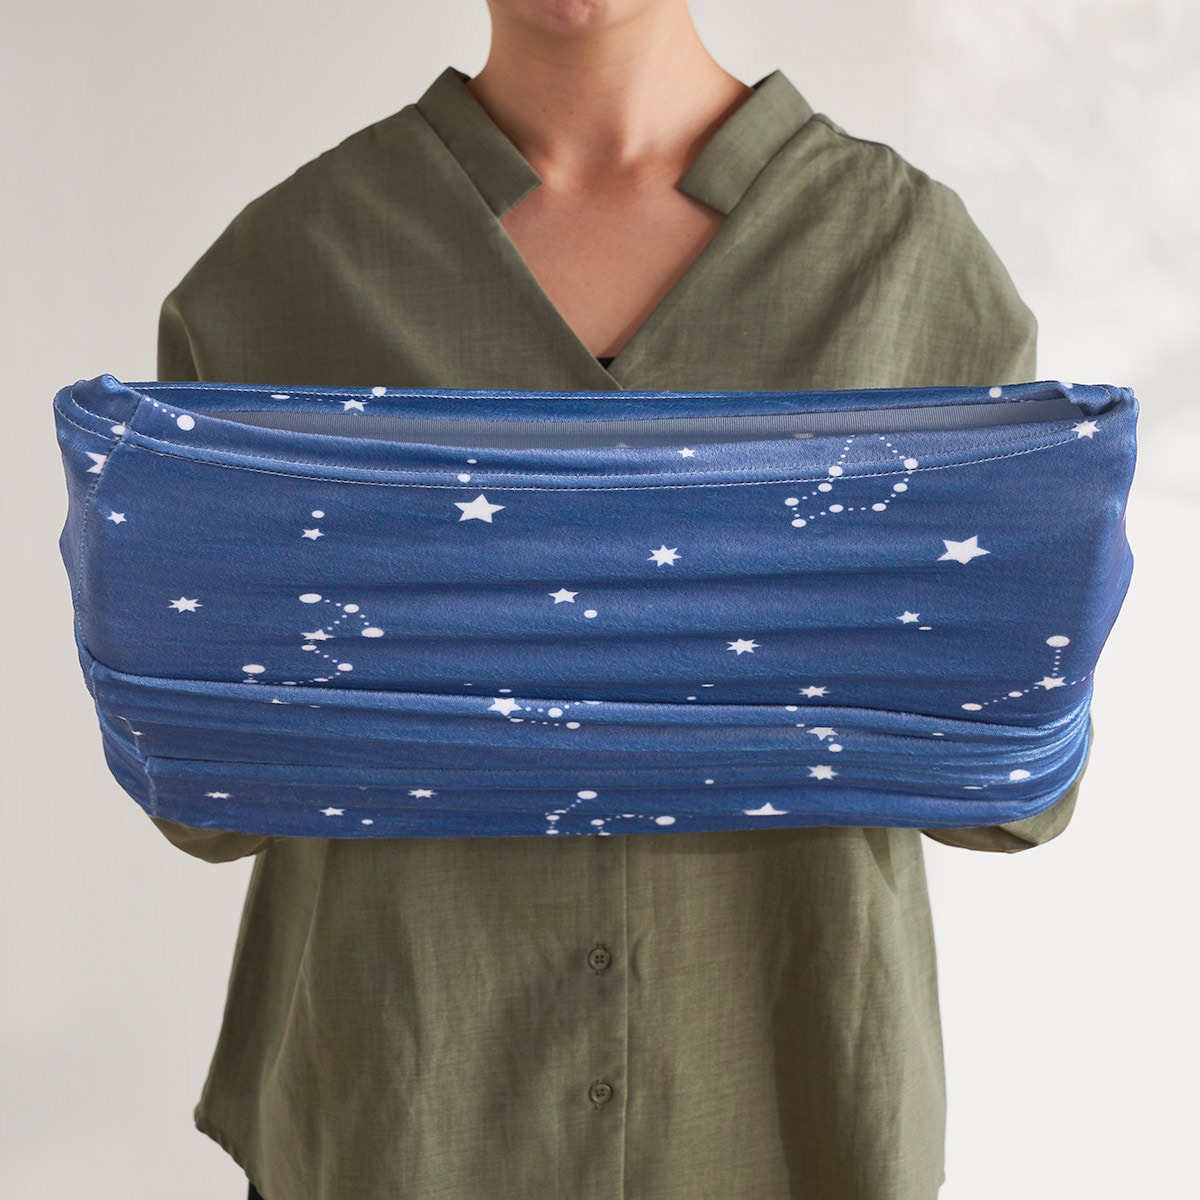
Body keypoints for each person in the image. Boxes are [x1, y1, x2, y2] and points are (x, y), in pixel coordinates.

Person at [153, 2, 1087, 1198]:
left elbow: (1011, 794)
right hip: (404, 1110)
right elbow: (208, 797)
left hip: (787, 1105)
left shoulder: (907, 259)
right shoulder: (286, 270)